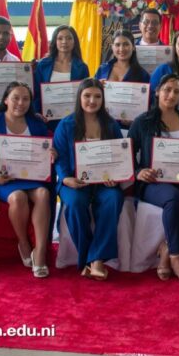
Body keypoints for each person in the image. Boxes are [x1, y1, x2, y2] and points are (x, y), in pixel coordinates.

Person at [129, 74, 179, 286]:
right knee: (173, 198)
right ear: (157, 92)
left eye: (176, 91)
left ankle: (167, 247)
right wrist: (139, 171)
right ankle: (176, 257)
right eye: (167, 90)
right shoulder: (142, 122)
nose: (171, 95)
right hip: (153, 182)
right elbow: (126, 155)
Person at [0, 82, 55, 278]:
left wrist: (51, 153)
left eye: (25, 99)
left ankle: (41, 252)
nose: (21, 103)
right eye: (15, 98)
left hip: (32, 178)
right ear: (5, 100)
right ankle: (24, 243)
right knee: (18, 197)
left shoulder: (36, 124)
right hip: (4, 181)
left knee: (44, 194)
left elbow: (45, 151)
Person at [53, 78, 124, 280]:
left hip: (103, 182)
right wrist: (66, 179)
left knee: (114, 199)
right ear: (79, 97)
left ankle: (96, 260)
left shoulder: (111, 125)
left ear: (103, 99)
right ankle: (88, 258)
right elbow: (60, 157)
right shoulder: (66, 125)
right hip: (74, 181)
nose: (92, 100)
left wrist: (116, 177)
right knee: (75, 203)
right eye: (87, 96)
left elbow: (119, 156)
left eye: (97, 96)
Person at [33, 25, 90, 130]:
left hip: (73, 120)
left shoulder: (82, 67)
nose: (64, 41)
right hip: (47, 120)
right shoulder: (43, 65)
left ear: (74, 42)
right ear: (55, 41)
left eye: (69, 38)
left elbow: (86, 94)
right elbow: (36, 92)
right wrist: (37, 113)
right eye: (60, 38)